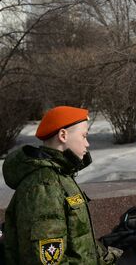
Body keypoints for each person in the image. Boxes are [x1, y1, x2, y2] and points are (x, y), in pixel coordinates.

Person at [2, 106, 119, 264]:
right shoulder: (44, 187)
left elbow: (78, 243)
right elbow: (46, 260)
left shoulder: (60, 175)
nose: (87, 144)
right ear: (63, 135)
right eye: (84, 136)